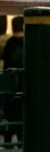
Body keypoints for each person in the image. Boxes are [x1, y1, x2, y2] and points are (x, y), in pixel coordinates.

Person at [1, 16, 23, 145]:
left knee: (9, 117)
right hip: (24, 86)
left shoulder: (9, 44)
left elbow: (5, 66)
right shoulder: (28, 42)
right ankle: (21, 142)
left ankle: (8, 143)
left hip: (10, 86)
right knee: (22, 117)